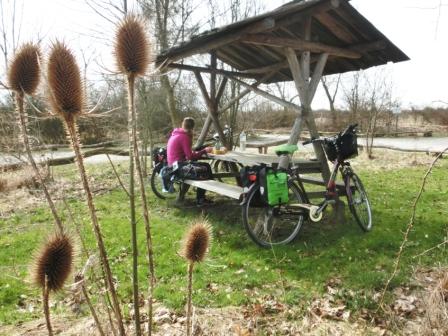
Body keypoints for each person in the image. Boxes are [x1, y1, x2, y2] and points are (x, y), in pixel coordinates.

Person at [167, 117, 213, 205]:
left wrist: (196, 153)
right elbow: (190, 156)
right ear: (192, 128)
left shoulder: (176, 134)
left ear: (183, 125)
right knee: (204, 169)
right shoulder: (184, 137)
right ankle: (201, 200)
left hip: (173, 167)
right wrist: (204, 151)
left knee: (205, 166)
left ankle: (197, 197)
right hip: (178, 169)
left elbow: (186, 153)